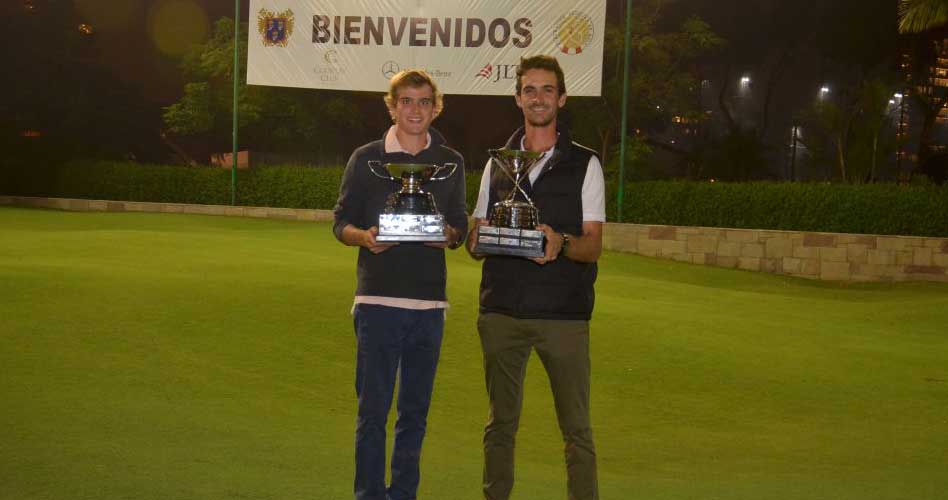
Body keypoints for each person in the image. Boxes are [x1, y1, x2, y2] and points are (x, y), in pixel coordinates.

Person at [466, 55, 605, 500]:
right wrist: (474, 238)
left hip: (563, 315)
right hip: (502, 310)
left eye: (548, 90)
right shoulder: (497, 164)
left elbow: (592, 244)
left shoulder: (585, 164)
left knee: (576, 429)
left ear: (561, 98)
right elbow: (475, 236)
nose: (539, 97)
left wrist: (559, 242)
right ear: (518, 98)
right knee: (500, 425)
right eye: (530, 89)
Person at [333, 69, 467, 500]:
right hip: (377, 301)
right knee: (372, 412)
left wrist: (448, 235)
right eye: (406, 101)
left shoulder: (452, 162)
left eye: (424, 102)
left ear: (435, 108)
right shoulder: (366, 158)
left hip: (429, 307)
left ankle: (404, 493)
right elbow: (340, 223)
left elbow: (460, 225)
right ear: (392, 106)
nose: (415, 110)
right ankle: (369, 494)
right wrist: (365, 238)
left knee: (415, 413)